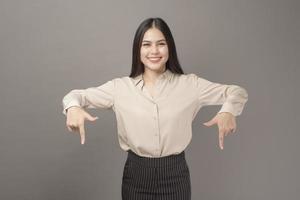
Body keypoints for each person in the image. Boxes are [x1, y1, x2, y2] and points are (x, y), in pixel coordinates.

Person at [62, 17, 248, 200]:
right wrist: (73, 108)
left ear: (170, 48)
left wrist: (228, 111)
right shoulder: (120, 88)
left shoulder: (190, 85)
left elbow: (237, 92)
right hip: (136, 176)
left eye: (161, 44)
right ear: (138, 49)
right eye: (146, 44)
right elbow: (74, 96)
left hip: (175, 176)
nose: (154, 51)